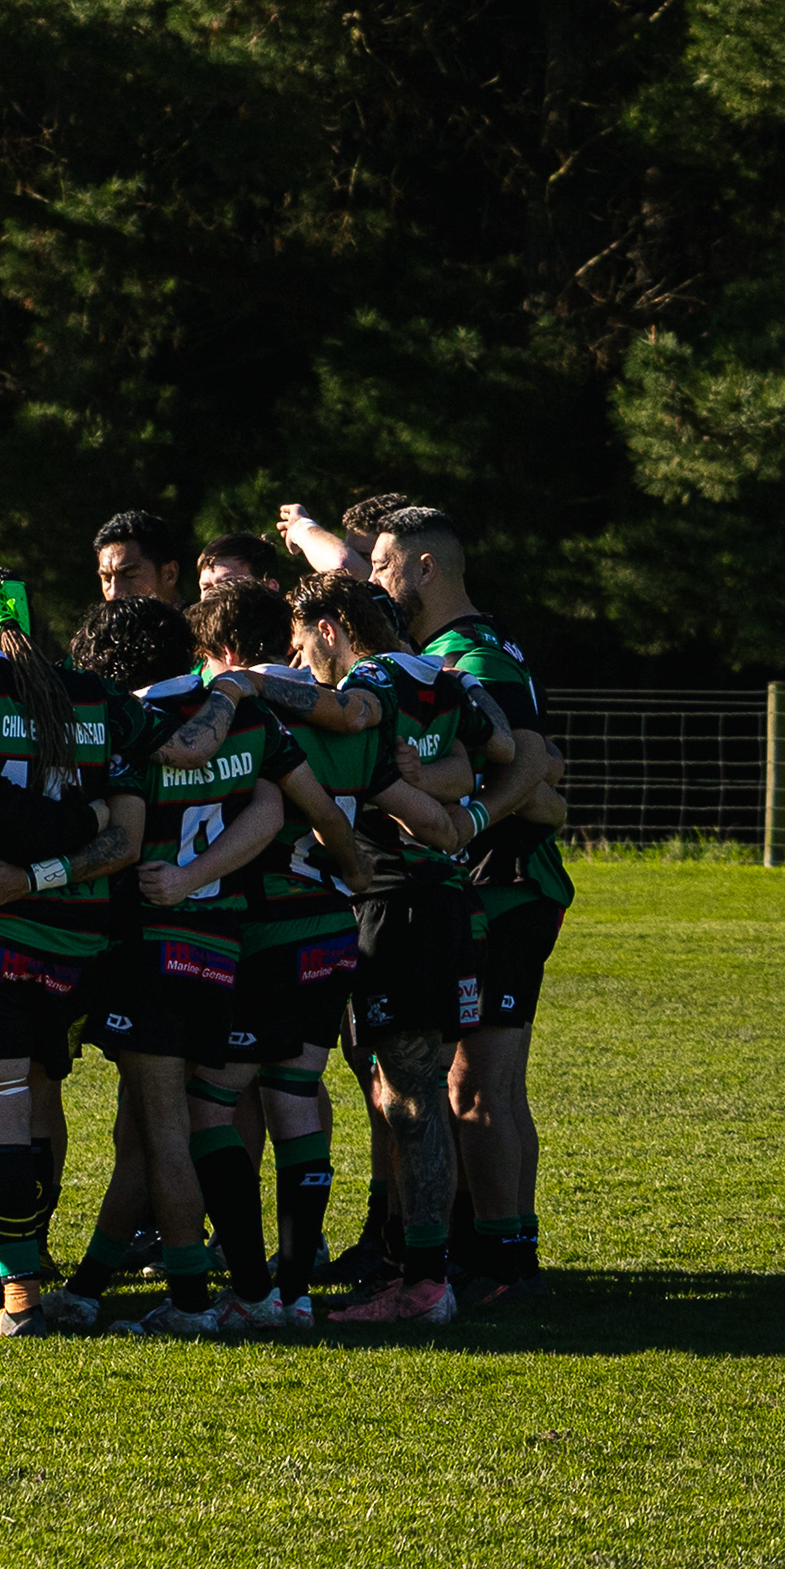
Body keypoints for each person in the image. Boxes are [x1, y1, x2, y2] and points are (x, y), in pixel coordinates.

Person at [84, 584, 376, 1336]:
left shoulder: (128, 722)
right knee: (269, 1099)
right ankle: (275, 1287)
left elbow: (111, 833)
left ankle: (196, 1298)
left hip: (162, 942)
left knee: (171, 1126)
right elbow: (286, 805)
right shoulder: (249, 710)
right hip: (232, 946)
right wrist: (354, 868)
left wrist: (168, 879)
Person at [0, 577, 148, 1340]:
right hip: (80, 947)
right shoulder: (100, 698)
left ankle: (18, 1293)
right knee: (41, 1099)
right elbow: (124, 840)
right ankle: (38, 1256)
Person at [369, 496, 573, 1309]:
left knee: (476, 1086)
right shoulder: (469, 646)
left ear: (425, 566)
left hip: (504, 889)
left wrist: (474, 817)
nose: (376, 580)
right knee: (485, 1083)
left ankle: (502, 1265)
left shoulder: (472, 657)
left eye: (383, 564)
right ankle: (504, 1257)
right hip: (503, 886)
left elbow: (532, 768)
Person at [283, 565, 478, 1328]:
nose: (304, 667)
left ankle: (425, 1282)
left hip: (396, 905)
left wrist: (254, 690)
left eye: (304, 649)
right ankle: (414, 1266)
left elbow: (351, 719)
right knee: (407, 1086)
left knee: (411, 1092)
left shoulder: (371, 686)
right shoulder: (443, 676)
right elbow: (505, 756)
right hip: (443, 902)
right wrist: (461, 814)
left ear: (331, 631)